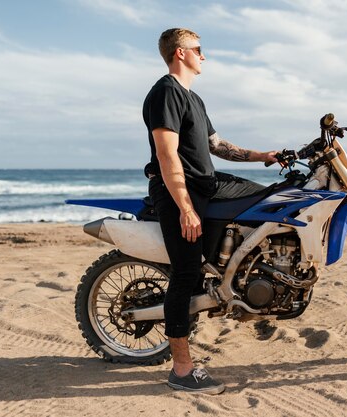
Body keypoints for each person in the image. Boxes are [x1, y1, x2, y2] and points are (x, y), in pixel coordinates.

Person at [142, 28, 278, 394]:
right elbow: (167, 154)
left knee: (270, 198)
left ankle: (235, 270)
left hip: (208, 183)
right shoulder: (165, 92)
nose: (204, 56)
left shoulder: (194, 99)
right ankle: (182, 373)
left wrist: (261, 156)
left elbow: (217, 146)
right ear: (181, 53)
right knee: (185, 274)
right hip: (177, 190)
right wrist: (186, 209)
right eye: (199, 49)